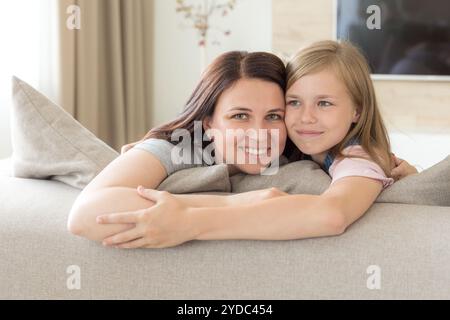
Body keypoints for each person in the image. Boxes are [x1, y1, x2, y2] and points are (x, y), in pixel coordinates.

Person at [68, 43, 417, 248]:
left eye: (274, 115)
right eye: (239, 116)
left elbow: (333, 210)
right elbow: (85, 214)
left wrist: (191, 222)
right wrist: (240, 201)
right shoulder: (184, 146)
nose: (258, 133)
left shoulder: (309, 146)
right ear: (208, 123)